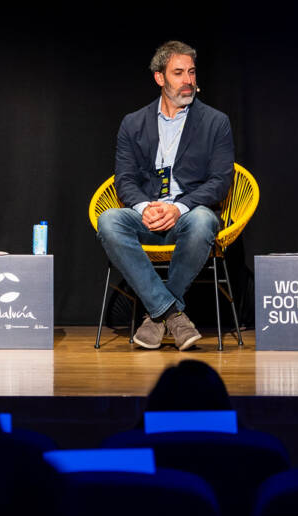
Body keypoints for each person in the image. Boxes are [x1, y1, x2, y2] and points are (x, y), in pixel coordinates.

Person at [97, 40, 234, 350]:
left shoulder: (216, 122)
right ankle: (172, 314)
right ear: (160, 78)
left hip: (189, 212)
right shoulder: (133, 123)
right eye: (178, 73)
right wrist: (145, 207)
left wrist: (180, 207)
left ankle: (155, 317)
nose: (187, 80)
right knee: (108, 220)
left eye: (191, 72)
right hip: (147, 214)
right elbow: (125, 178)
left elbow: (221, 180)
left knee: (202, 222)